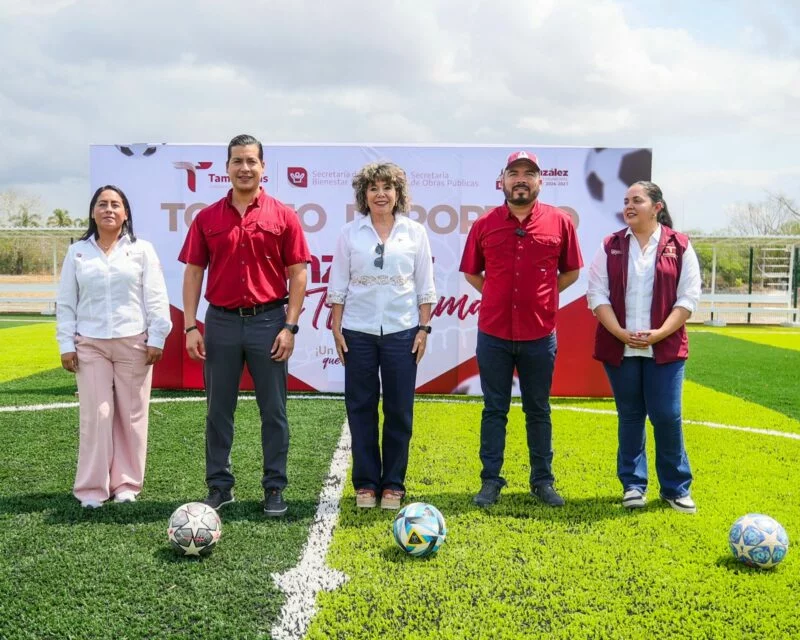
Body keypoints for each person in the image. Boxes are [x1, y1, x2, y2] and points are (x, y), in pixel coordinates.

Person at [178, 134, 310, 517]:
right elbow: (193, 273)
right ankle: (220, 487)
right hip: (220, 323)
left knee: (274, 411)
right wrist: (190, 326)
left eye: (252, 161)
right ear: (227, 168)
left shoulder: (284, 216)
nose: (245, 168)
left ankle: (274, 487)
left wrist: (290, 327)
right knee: (218, 411)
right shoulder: (206, 218)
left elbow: (298, 275)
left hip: (269, 323)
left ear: (263, 167)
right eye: (237, 161)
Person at [460, 151, 583, 508]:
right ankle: (490, 481)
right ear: (502, 180)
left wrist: (544, 296)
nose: (521, 179)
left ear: (540, 181)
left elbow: (572, 271)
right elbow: (472, 272)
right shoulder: (485, 224)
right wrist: (496, 294)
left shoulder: (560, 222)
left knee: (538, 409)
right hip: (494, 333)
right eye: (514, 173)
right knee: (494, 409)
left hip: (540, 334)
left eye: (529, 173)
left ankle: (542, 481)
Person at [327, 162, 436, 510]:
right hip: (357, 332)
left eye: (387, 187)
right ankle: (366, 484)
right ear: (364, 195)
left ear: (398, 193)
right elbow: (338, 284)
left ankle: (393, 484)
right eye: (373, 188)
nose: (380, 194)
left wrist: (423, 329)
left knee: (399, 410)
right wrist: (336, 327)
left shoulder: (415, 233)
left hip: (403, 332)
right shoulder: (350, 233)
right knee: (360, 408)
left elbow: (425, 285)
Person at [587, 181, 701, 514]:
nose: (629, 206)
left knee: (667, 416)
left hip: (665, 348)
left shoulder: (680, 245)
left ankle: (675, 489)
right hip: (619, 348)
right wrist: (620, 333)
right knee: (631, 417)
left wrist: (660, 333)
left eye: (637, 200)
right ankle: (633, 486)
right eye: (626, 201)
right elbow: (596, 294)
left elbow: (688, 298)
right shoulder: (610, 245)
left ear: (657, 207)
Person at [56, 185, 172, 509]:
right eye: (102, 204)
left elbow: (156, 297)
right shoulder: (77, 252)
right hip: (90, 344)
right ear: (93, 212)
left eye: (115, 204)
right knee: (97, 415)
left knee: (132, 416)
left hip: (134, 342)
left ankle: (126, 485)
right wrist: (66, 343)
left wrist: (157, 337)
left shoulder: (142, 250)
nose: (109, 209)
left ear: (125, 213)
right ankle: (92, 489)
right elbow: (66, 302)